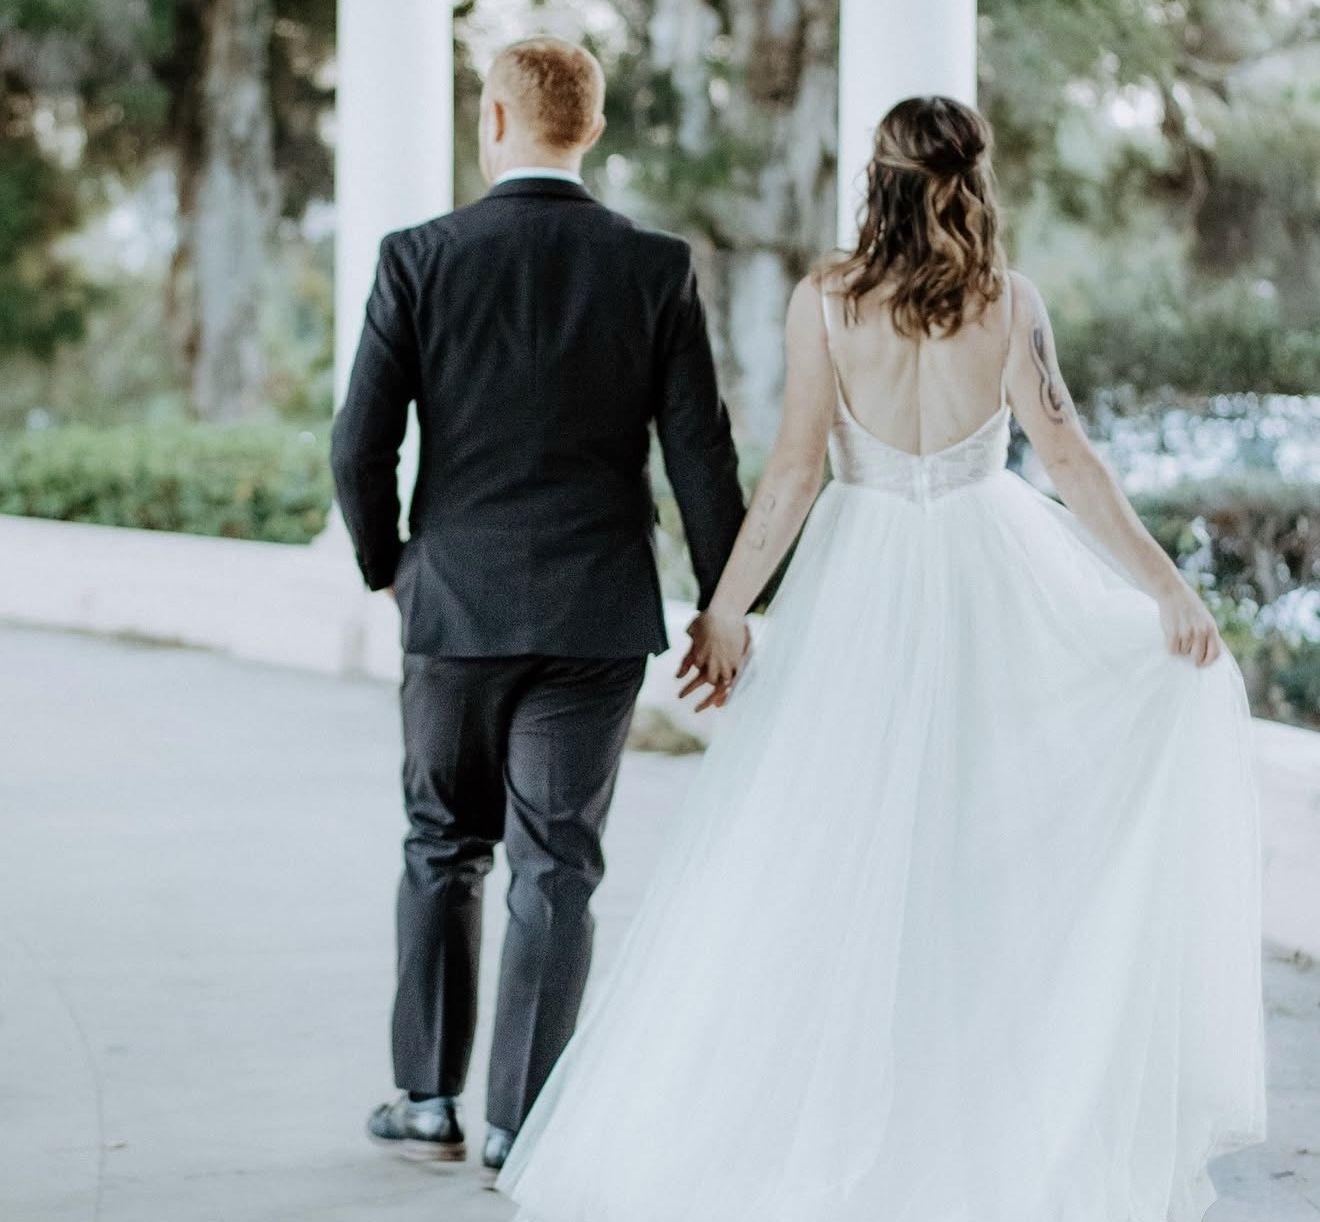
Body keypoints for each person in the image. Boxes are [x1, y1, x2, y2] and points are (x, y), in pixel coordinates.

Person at [496, 95, 1266, 1221]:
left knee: (823, 846)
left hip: (859, 585)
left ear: (877, 176)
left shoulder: (828, 298)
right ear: (975, 177)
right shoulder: (1008, 303)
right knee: (979, 850)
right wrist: (1169, 590)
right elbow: (1071, 461)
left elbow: (793, 474)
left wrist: (726, 611)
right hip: (990, 578)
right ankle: (971, 1114)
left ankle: (846, 1108)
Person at [329, 36, 744, 1172]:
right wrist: (728, 602)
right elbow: (701, 454)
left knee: (441, 843)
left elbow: (359, 444)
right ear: (593, 129)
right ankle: (520, 1121)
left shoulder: (419, 257)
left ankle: (426, 1099)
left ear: (494, 120)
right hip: (594, 613)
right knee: (557, 866)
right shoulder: (655, 266)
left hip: (454, 605)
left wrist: (389, 564)